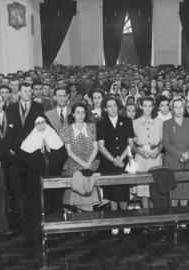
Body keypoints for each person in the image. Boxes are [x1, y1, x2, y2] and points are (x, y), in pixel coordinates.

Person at [19, 115, 64, 244]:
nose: (41, 125)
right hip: (35, 180)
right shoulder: (29, 140)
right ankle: (36, 235)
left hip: (53, 178)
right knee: (35, 208)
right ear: (34, 125)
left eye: (43, 122)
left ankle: (56, 233)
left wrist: (50, 151)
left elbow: (62, 156)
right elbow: (25, 161)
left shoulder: (53, 136)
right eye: (37, 123)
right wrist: (39, 153)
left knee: (54, 206)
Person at [96, 97, 134, 235]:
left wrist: (121, 159)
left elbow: (131, 144)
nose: (112, 108)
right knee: (111, 194)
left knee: (123, 193)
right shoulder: (101, 124)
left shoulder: (127, 121)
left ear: (118, 107)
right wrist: (113, 160)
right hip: (108, 162)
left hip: (123, 162)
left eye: (114, 106)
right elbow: (101, 146)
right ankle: (114, 222)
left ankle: (125, 221)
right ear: (105, 109)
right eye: (109, 106)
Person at [7, 82, 45, 214]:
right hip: (16, 151)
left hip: (33, 150)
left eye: (29, 91)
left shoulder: (38, 107)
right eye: (24, 91)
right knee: (16, 181)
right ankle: (21, 209)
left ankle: (34, 209)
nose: (27, 94)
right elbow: (9, 131)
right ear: (19, 92)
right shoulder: (11, 108)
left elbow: (41, 129)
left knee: (32, 180)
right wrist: (12, 147)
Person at [60, 103, 100, 210]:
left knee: (90, 201)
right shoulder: (66, 129)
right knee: (77, 202)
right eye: (78, 112)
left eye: (83, 112)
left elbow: (96, 148)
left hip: (90, 165)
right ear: (73, 114)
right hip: (74, 167)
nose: (80, 115)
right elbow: (69, 151)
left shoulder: (92, 127)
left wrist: (88, 164)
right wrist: (82, 164)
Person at [163, 97, 189, 207]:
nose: (178, 110)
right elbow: (166, 144)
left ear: (184, 108)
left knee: (185, 194)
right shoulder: (167, 123)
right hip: (173, 162)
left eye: (181, 107)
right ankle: (173, 221)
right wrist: (180, 155)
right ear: (172, 109)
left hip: (188, 161)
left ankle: (183, 221)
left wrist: (187, 154)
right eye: (176, 107)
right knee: (174, 195)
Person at [132, 97, 163, 209]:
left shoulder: (159, 122)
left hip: (155, 156)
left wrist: (158, 151)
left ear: (153, 107)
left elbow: (163, 141)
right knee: (144, 190)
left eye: (150, 105)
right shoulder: (134, 123)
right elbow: (131, 145)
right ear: (140, 106)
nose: (147, 108)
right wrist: (141, 153)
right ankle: (145, 217)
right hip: (141, 157)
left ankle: (156, 219)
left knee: (155, 188)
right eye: (145, 105)